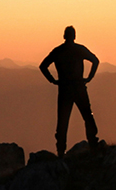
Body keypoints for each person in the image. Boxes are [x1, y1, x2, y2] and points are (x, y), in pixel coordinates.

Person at [38, 25, 100, 155]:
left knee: (63, 120)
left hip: (64, 89)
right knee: (87, 116)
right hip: (79, 87)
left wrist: (53, 80)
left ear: (64, 36)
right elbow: (95, 60)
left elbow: (43, 66)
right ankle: (93, 144)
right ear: (74, 36)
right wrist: (89, 77)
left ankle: (61, 151)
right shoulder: (79, 50)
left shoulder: (58, 51)